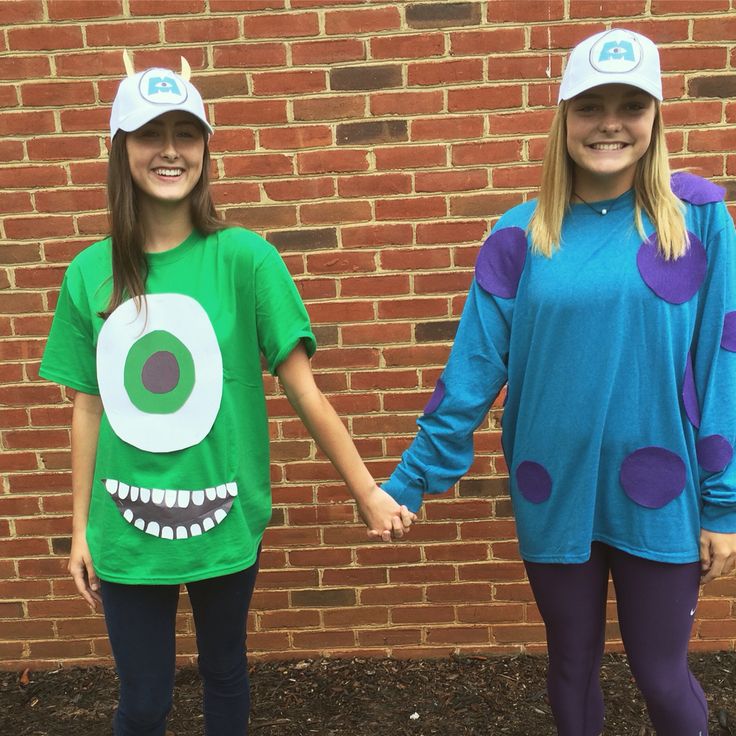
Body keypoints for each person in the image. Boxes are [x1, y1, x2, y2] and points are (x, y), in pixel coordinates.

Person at [39, 55, 414, 736]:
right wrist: (79, 529)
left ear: (206, 148)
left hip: (223, 515)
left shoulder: (247, 259)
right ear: (121, 148)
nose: (171, 151)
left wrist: (365, 489)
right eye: (151, 134)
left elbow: (302, 387)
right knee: (143, 700)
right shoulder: (89, 273)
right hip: (126, 528)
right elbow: (87, 407)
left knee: (226, 675)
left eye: (188, 133)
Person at [382, 28, 736, 736]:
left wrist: (722, 504)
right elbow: (473, 368)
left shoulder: (697, 218)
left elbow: (720, 362)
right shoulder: (519, 235)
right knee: (569, 667)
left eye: (630, 105)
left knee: (661, 675)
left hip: (660, 490)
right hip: (554, 484)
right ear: (564, 116)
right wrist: (408, 480)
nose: (610, 122)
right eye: (590, 104)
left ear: (655, 116)